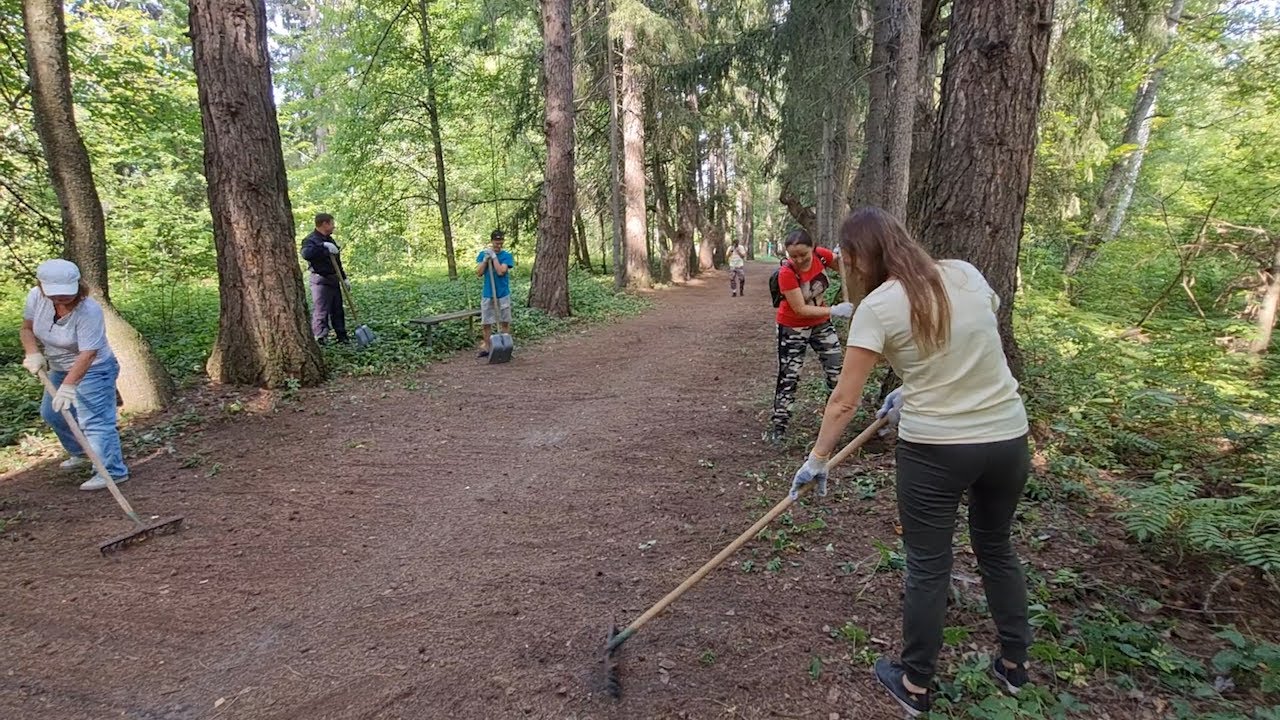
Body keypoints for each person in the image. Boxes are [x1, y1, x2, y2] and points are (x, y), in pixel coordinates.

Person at [788, 207, 1032, 717]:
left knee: (928, 565)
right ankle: (1014, 666)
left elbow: (843, 401)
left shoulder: (877, 306)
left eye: (847, 260)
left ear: (855, 258)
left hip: (937, 451)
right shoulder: (964, 272)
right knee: (996, 547)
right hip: (1008, 437)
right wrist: (912, 384)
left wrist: (817, 459)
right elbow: (970, 335)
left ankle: (916, 683)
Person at [19, 259, 129, 491]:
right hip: (59, 366)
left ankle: (111, 471)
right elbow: (27, 329)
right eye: (55, 294)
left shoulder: (89, 310)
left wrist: (69, 386)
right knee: (52, 413)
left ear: (77, 285)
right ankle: (82, 452)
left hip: (94, 369)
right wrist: (33, 353)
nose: (62, 298)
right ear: (42, 286)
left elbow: (88, 353)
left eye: (66, 293)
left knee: (95, 421)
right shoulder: (36, 297)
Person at [767, 229, 854, 442]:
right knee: (790, 375)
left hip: (821, 325)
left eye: (803, 255)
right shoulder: (787, 273)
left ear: (812, 248)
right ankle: (779, 426)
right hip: (792, 327)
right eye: (793, 256)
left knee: (836, 369)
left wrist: (844, 259)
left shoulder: (821, 255)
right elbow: (800, 309)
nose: (798, 260)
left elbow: (846, 270)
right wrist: (834, 310)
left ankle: (835, 421)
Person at [300, 212, 349, 344]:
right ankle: (320, 337)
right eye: (332, 223)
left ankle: (342, 336)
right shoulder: (310, 240)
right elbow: (306, 254)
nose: (334, 227)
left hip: (334, 278)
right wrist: (322, 247)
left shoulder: (330, 239)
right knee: (321, 310)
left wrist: (344, 278)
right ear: (324, 224)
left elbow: (337, 262)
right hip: (320, 280)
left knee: (337, 309)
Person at [475, 229, 515, 358]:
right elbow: (479, 273)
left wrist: (494, 257)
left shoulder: (506, 256)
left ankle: (505, 346)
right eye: (496, 241)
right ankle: (487, 347)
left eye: (500, 241)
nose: (498, 244)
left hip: (502, 293)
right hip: (488, 293)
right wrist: (486, 260)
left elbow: (500, 271)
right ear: (492, 241)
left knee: (504, 321)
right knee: (486, 322)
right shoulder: (483, 254)